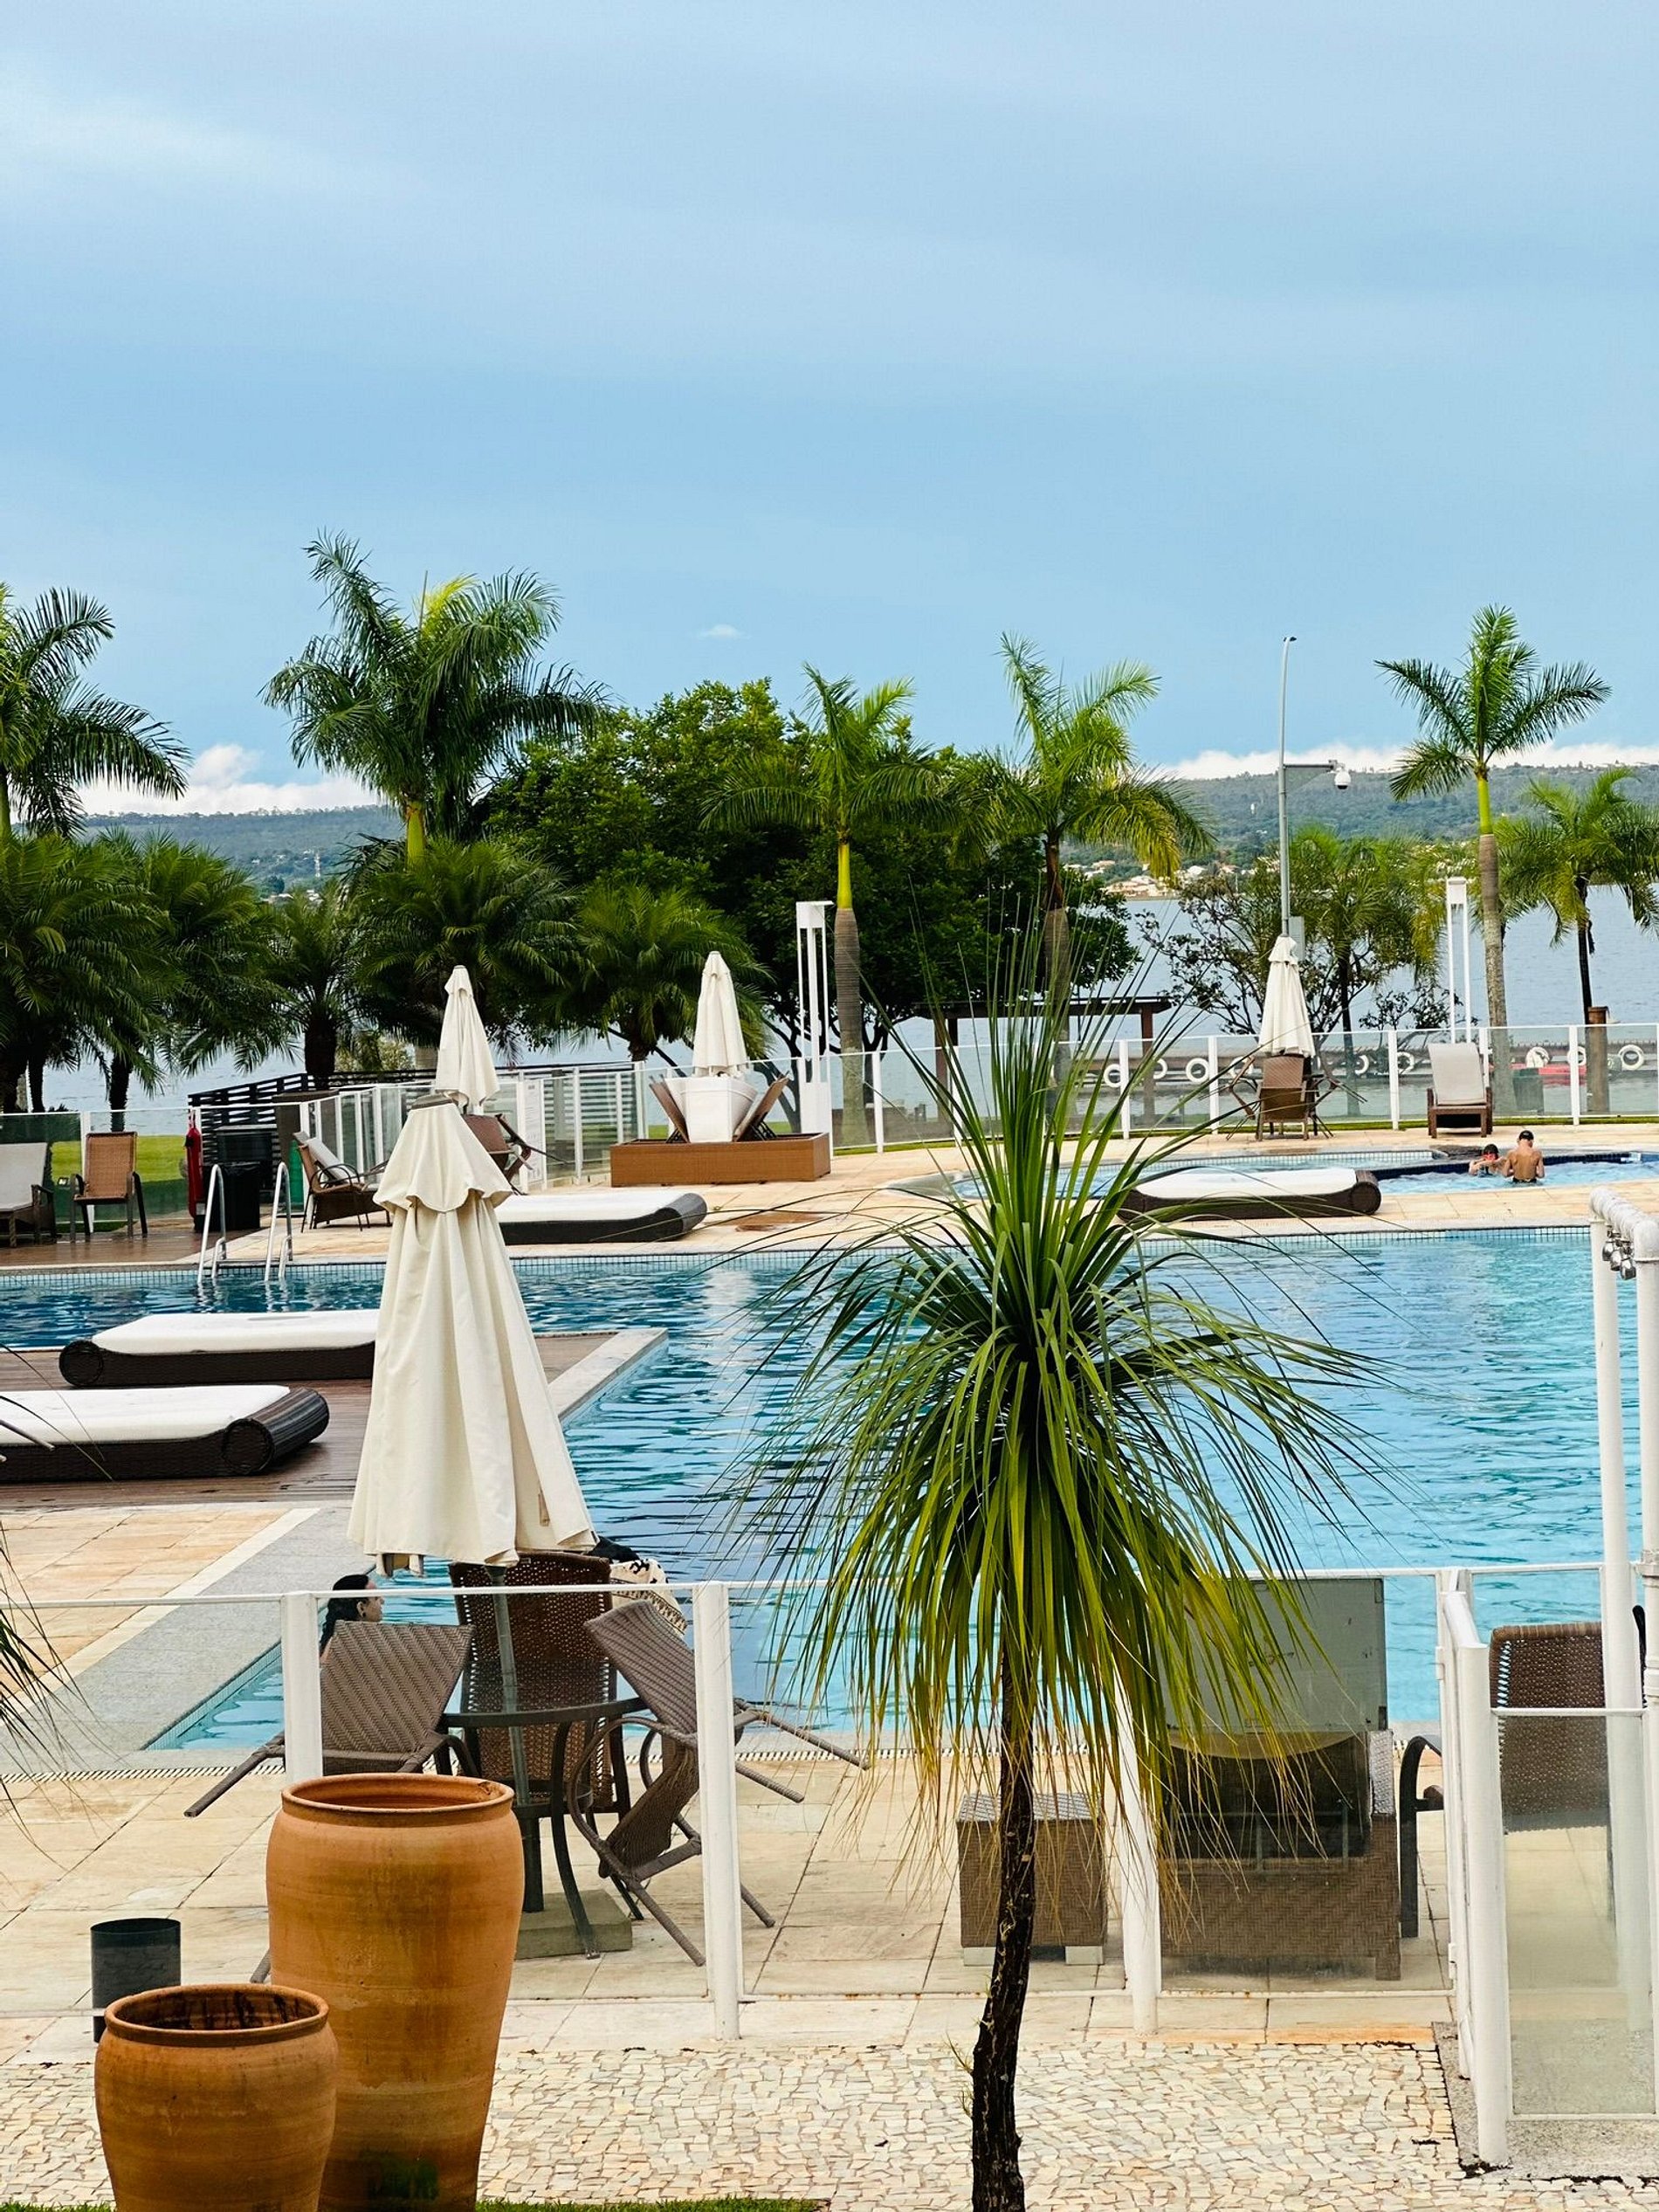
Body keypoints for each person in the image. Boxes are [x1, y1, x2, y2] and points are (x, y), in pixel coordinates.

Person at [320, 1571, 384, 1650]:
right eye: (376, 1598)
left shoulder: (337, 1640)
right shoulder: (339, 1645)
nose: (382, 1601)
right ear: (361, 1608)